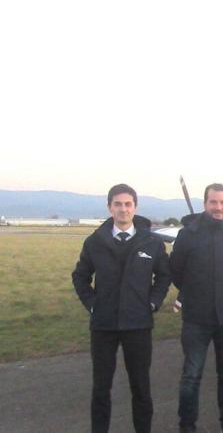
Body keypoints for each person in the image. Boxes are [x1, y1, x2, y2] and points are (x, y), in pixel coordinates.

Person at [72, 183, 171, 433]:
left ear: (135, 207)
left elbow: (164, 276)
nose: (123, 209)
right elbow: (80, 276)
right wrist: (93, 305)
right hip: (103, 326)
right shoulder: (94, 241)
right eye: (118, 204)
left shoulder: (152, 242)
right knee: (101, 387)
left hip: (138, 325)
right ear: (109, 207)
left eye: (128, 204)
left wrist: (153, 302)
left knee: (140, 387)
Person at [170, 183, 223, 433]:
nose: (219, 207)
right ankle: (187, 426)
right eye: (213, 202)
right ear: (205, 203)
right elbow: (177, 272)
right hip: (196, 319)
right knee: (191, 376)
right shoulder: (188, 234)